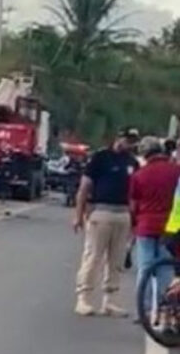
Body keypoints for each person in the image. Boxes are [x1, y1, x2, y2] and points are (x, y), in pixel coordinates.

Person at [74, 127, 140, 317]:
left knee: (116, 259)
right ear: (118, 137)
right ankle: (83, 297)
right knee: (93, 256)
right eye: (127, 139)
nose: (129, 144)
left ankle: (110, 300)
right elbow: (85, 187)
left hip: (123, 213)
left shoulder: (132, 162)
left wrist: (134, 219)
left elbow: (135, 193)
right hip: (101, 211)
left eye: (132, 141)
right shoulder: (101, 158)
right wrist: (78, 214)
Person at [129, 136, 180, 325]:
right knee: (166, 269)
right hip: (170, 228)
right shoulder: (176, 171)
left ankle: (145, 309)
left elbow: (133, 205)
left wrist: (133, 226)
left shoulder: (140, 175)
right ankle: (166, 309)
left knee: (145, 269)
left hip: (146, 226)